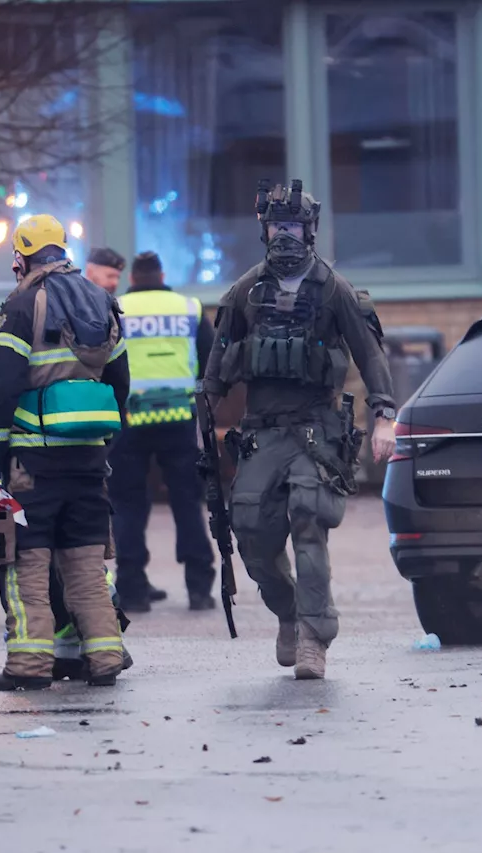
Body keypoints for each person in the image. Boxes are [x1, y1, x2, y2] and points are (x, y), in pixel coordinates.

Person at [202, 180, 397, 680]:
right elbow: (218, 366)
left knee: (308, 523)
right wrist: (201, 420)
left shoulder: (335, 290)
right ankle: (288, 613)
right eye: (276, 227)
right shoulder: (246, 291)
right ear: (263, 231)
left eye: (292, 227)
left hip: (315, 429)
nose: (283, 236)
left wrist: (384, 416)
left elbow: (370, 355)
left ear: (309, 231)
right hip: (261, 431)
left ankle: (314, 634)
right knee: (250, 534)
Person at [0, 213, 129, 691]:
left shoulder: (22, 305)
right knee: (86, 566)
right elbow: (120, 382)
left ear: (21, 257)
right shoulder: (102, 301)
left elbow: (2, 386)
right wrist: (103, 441)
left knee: (26, 569)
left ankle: (28, 667)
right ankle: (105, 659)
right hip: (87, 460)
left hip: (32, 464)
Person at [109, 250, 217, 613]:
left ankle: (133, 589)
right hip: (178, 417)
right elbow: (210, 358)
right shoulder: (188, 308)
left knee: (128, 504)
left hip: (129, 419)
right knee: (187, 502)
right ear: (162, 275)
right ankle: (199, 587)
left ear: (133, 279)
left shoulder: (117, 307)